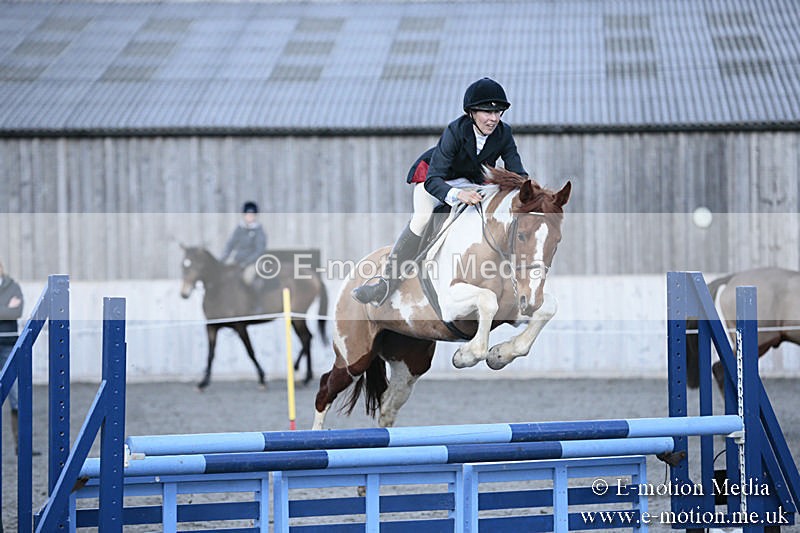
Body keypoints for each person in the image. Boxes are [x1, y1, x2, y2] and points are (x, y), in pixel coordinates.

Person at [352, 77, 528, 305]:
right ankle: (385, 284)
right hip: (436, 178)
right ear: (472, 113)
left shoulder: (504, 133)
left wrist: (531, 192)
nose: (493, 118)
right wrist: (457, 195)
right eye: (486, 112)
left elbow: (518, 172)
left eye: (498, 112)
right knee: (423, 218)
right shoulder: (455, 130)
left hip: (473, 181)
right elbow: (433, 179)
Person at [0, 259, 25, 454]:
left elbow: (17, 310)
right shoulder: (11, 290)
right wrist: (5, 309)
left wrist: (9, 310)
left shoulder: (13, 285)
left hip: (9, 345)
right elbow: (10, 310)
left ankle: (21, 445)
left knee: (17, 396)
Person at [221, 201, 268, 288]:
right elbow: (230, 244)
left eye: (252, 215)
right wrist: (223, 258)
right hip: (238, 261)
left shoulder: (258, 230)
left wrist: (247, 262)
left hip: (252, 263)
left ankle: (253, 299)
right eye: (247, 214)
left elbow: (259, 250)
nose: (249, 217)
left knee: (248, 278)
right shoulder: (239, 229)